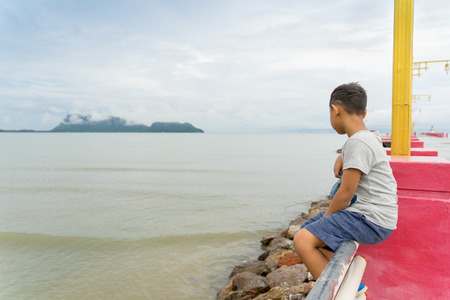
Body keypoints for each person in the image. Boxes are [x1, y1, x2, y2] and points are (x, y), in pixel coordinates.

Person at [293, 82, 398, 297]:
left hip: (370, 218)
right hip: (374, 215)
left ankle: (343, 292)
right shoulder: (368, 138)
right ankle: (353, 283)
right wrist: (343, 155)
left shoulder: (357, 143)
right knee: (308, 226)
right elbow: (364, 149)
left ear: (335, 109)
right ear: (364, 112)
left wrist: (328, 218)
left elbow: (346, 193)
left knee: (302, 240)